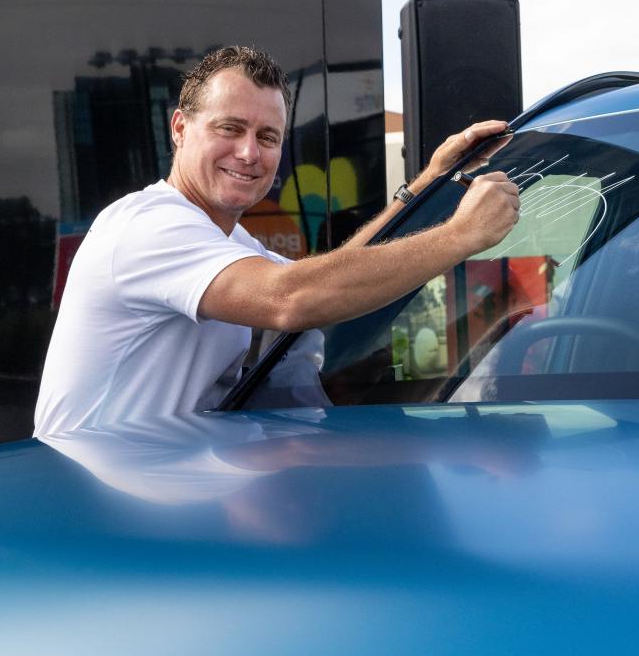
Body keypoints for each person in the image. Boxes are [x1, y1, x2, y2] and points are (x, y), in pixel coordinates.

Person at [34, 45, 519, 436]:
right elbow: (292, 300)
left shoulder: (225, 240)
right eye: (230, 128)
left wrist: (422, 187)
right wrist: (461, 235)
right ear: (180, 129)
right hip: (99, 517)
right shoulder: (149, 227)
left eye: (268, 137)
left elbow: (328, 279)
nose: (249, 152)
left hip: (150, 500)